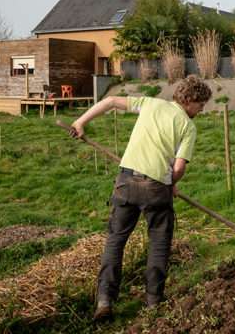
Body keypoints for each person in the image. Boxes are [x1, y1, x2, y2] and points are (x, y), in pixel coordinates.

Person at [68, 76, 212, 321]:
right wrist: (171, 183)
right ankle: (153, 301)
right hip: (156, 189)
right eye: (201, 105)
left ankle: (105, 301)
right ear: (189, 101)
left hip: (126, 182)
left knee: (115, 241)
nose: (201, 109)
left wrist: (80, 122)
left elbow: (111, 100)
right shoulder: (188, 126)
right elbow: (178, 168)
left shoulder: (150, 103)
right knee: (158, 244)